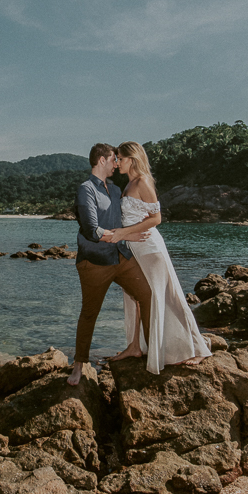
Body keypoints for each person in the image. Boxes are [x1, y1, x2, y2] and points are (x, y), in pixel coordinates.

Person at [104, 141, 211, 374]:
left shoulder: (142, 181)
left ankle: (197, 348)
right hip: (134, 248)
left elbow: (156, 219)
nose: (117, 162)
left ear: (132, 159)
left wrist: (122, 233)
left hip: (150, 248)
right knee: (135, 295)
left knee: (167, 296)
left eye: (120, 158)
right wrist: (120, 234)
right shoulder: (129, 183)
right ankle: (135, 346)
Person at [69, 143, 154, 386]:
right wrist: (127, 235)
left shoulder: (116, 189)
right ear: (102, 160)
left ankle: (149, 351)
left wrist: (138, 230)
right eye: (113, 159)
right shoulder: (86, 189)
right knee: (89, 314)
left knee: (147, 295)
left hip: (121, 257)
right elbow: (92, 230)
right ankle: (79, 365)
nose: (117, 163)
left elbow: (131, 216)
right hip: (94, 262)